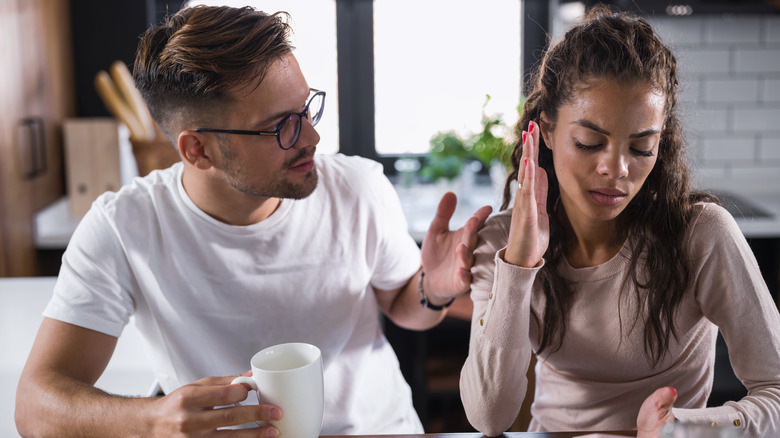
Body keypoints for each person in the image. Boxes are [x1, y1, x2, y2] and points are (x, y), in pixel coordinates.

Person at [15, 5, 492, 437]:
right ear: (197, 149)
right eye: (281, 125)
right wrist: (152, 420)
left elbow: (402, 302)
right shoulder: (124, 227)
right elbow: (36, 408)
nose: (312, 135)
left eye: (307, 107)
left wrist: (435, 286)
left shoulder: (358, 187)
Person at [459, 5, 780, 438]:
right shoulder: (501, 239)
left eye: (641, 147)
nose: (617, 169)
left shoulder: (702, 235)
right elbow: (488, 416)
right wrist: (518, 266)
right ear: (547, 131)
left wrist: (681, 428)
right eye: (590, 142)